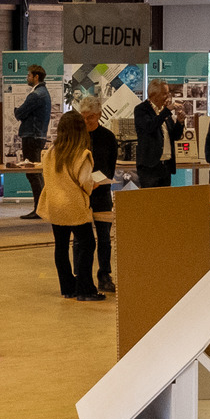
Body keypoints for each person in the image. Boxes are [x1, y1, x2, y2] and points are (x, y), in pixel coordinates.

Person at [38, 106, 108, 301]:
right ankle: (85, 289)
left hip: (55, 205)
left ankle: (68, 287)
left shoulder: (50, 152)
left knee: (61, 247)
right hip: (73, 205)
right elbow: (86, 181)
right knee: (87, 244)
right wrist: (93, 186)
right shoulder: (82, 153)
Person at [85, 100, 119, 292]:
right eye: (82, 117)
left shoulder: (107, 137)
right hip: (82, 192)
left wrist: (100, 180)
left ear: (98, 115)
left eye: (90, 117)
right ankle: (82, 275)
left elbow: (110, 166)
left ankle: (104, 274)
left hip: (102, 191)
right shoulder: (78, 136)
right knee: (82, 237)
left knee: (104, 237)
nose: (86, 121)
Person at [15, 66, 52, 219]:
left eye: (29, 75)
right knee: (36, 172)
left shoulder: (36, 95)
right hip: (38, 136)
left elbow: (19, 112)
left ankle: (39, 209)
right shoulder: (43, 93)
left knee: (33, 173)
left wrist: (18, 111)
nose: (27, 77)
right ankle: (41, 208)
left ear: (36, 77)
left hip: (31, 136)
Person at [133, 79, 182, 188]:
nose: (168, 96)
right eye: (165, 93)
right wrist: (167, 111)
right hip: (149, 167)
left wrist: (180, 122)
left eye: (168, 93)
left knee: (165, 203)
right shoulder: (141, 110)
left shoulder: (164, 112)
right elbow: (149, 127)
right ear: (153, 95)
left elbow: (175, 136)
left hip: (166, 166)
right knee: (150, 202)